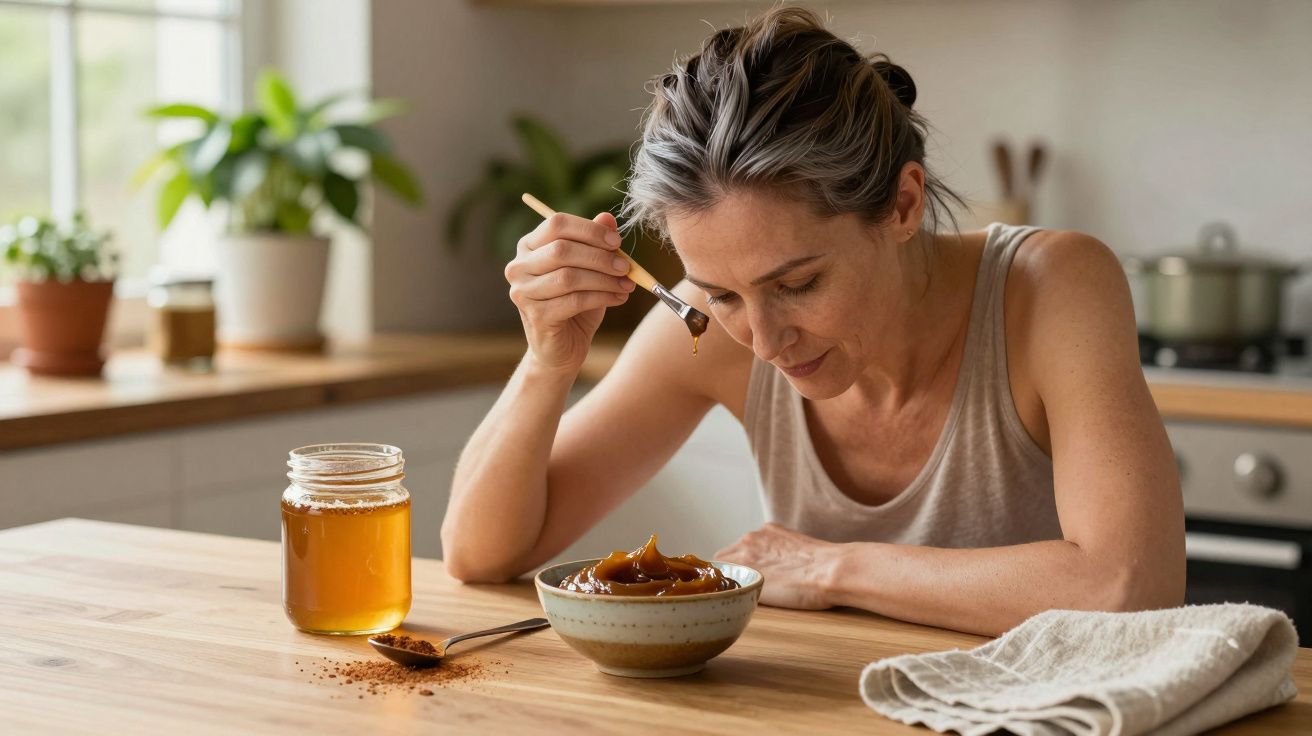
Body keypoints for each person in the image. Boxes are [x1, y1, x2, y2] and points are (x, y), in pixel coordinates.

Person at [440, 6, 1184, 636]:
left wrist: (833, 566)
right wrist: (547, 360)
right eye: (720, 295)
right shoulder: (704, 331)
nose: (763, 341)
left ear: (902, 204)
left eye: (797, 283)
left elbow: (1129, 586)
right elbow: (481, 554)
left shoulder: (1051, 288)